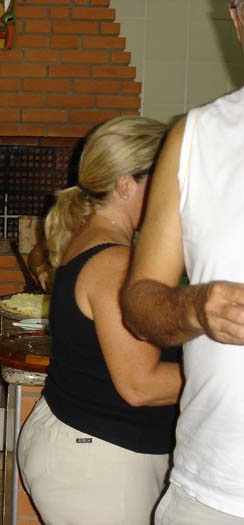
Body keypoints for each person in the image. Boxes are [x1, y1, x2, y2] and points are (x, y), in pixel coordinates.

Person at [16, 116, 183, 524]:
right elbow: (140, 385)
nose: (175, 193)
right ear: (125, 185)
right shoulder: (115, 263)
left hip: (90, 448)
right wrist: (221, 373)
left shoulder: (93, 242)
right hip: (99, 462)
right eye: (165, 180)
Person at [120, 2, 244, 522]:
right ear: (238, 22)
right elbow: (139, 303)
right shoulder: (194, 139)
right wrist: (197, 307)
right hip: (213, 492)